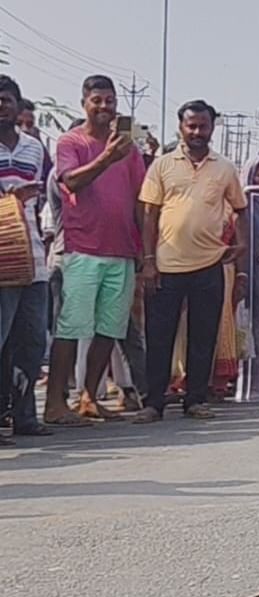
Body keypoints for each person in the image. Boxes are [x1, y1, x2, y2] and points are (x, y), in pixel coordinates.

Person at [133, 100, 247, 423]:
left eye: (203, 126)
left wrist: (243, 243)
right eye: (191, 125)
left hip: (210, 264)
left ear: (212, 128)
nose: (197, 132)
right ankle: (153, 403)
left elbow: (240, 209)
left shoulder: (224, 168)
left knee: (203, 335)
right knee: (159, 336)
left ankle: (195, 399)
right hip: (166, 266)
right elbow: (149, 213)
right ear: (181, 127)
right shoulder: (162, 165)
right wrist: (149, 260)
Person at [44, 75, 146, 425]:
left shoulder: (129, 148)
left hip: (121, 250)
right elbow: (70, 181)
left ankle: (89, 397)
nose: (105, 107)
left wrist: (142, 250)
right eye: (97, 100)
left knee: (110, 329)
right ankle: (56, 403)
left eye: (110, 100)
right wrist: (107, 156)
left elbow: (138, 200)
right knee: (71, 328)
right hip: (82, 249)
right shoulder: (70, 141)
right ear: (84, 102)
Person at [0, 75, 51, 444]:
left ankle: (23, 415)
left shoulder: (34, 147)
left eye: (6, 99)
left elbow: (47, 197)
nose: (2, 105)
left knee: (33, 340)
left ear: (18, 105)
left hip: (32, 255)